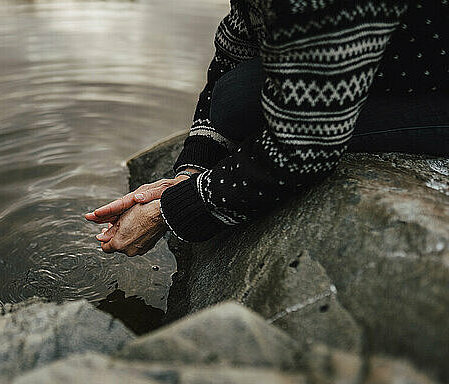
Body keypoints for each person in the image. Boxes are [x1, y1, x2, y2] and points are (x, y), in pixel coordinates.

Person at [85, 0, 449, 256]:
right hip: (406, 51)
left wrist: (173, 209)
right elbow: (233, 55)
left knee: (268, 118)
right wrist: (191, 170)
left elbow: (304, 146)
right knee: (235, 98)